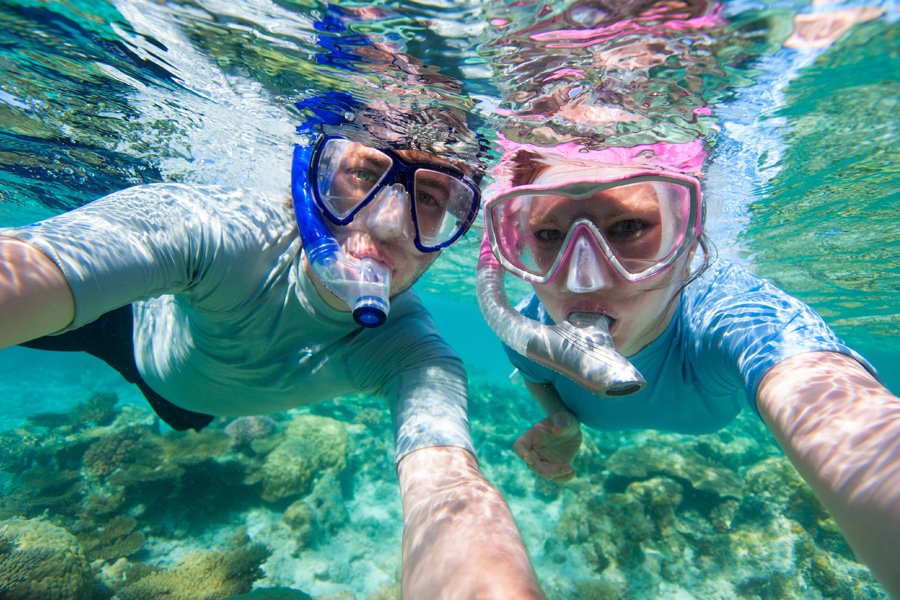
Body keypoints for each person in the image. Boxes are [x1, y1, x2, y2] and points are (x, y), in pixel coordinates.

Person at [0, 98, 546, 596]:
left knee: (189, 418)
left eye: (428, 197)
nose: (387, 225)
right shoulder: (212, 232)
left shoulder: (416, 355)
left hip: (191, 402)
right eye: (363, 172)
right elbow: (32, 267)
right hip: (125, 332)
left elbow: (447, 490)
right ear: (311, 176)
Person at [475, 135, 900, 596]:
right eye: (549, 235)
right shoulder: (527, 332)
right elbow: (537, 375)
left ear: (688, 233)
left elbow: (823, 394)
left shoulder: (731, 313)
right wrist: (565, 424)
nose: (583, 278)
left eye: (628, 226)